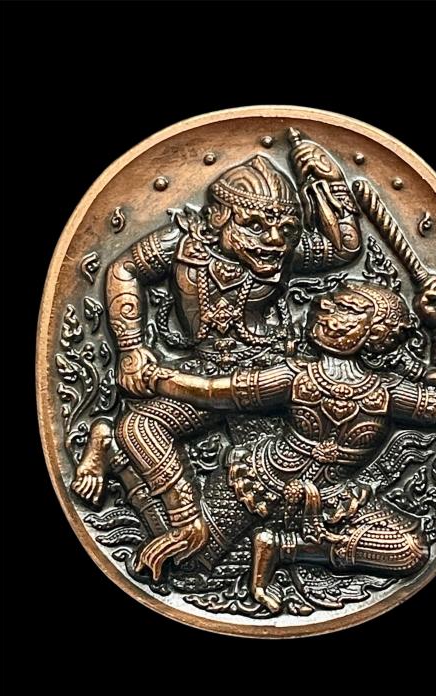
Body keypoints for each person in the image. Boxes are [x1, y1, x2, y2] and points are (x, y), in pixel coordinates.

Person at [71, 129, 363, 572]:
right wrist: (130, 348)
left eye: (286, 229)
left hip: (268, 382)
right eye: (255, 225)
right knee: (141, 426)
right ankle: (185, 521)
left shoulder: (285, 257)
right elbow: (123, 269)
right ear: (219, 219)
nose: (274, 240)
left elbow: (345, 248)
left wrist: (327, 181)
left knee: (278, 479)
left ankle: (242, 543)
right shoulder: (180, 245)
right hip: (204, 371)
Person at [135, 277, 436, 610]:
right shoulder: (295, 376)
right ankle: (127, 474)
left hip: (332, 499)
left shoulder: (386, 392)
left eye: (347, 308)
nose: (325, 306)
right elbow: (213, 392)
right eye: (332, 301)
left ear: (375, 332)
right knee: (186, 566)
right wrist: (157, 377)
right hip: (260, 483)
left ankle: (283, 548)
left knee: (411, 551)